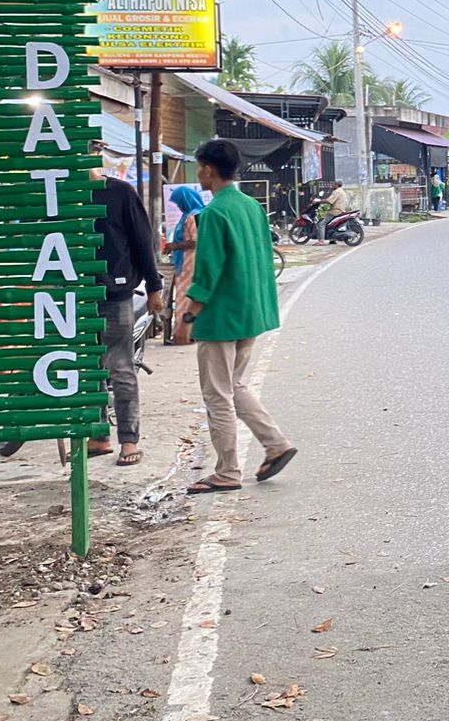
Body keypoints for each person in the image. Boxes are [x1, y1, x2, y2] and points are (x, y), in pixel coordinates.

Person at [178, 139, 298, 494]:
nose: (198, 173)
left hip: (221, 314)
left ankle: (227, 472)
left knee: (217, 395)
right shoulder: (250, 206)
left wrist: (189, 315)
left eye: (199, 167)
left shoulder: (214, 212)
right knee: (235, 385)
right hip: (252, 310)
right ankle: (275, 444)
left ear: (208, 170)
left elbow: (209, 269)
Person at [90, 149, 164, 467]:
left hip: (114, 295)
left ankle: (129, 440)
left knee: (120, 368)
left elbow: (142, 241)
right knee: (88, 370)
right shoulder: (60, 195)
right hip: (73, 300)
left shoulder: (120, 193)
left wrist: (154, 286)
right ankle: (98, 435)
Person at [165, 186, 208, 342]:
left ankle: (184, 334)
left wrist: (175, 246)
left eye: (179, 202)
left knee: (184, 296)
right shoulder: (189, 215)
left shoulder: (192, 217)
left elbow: (195, 241)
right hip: (187, 258)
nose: (179, 206)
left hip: (189, 261)